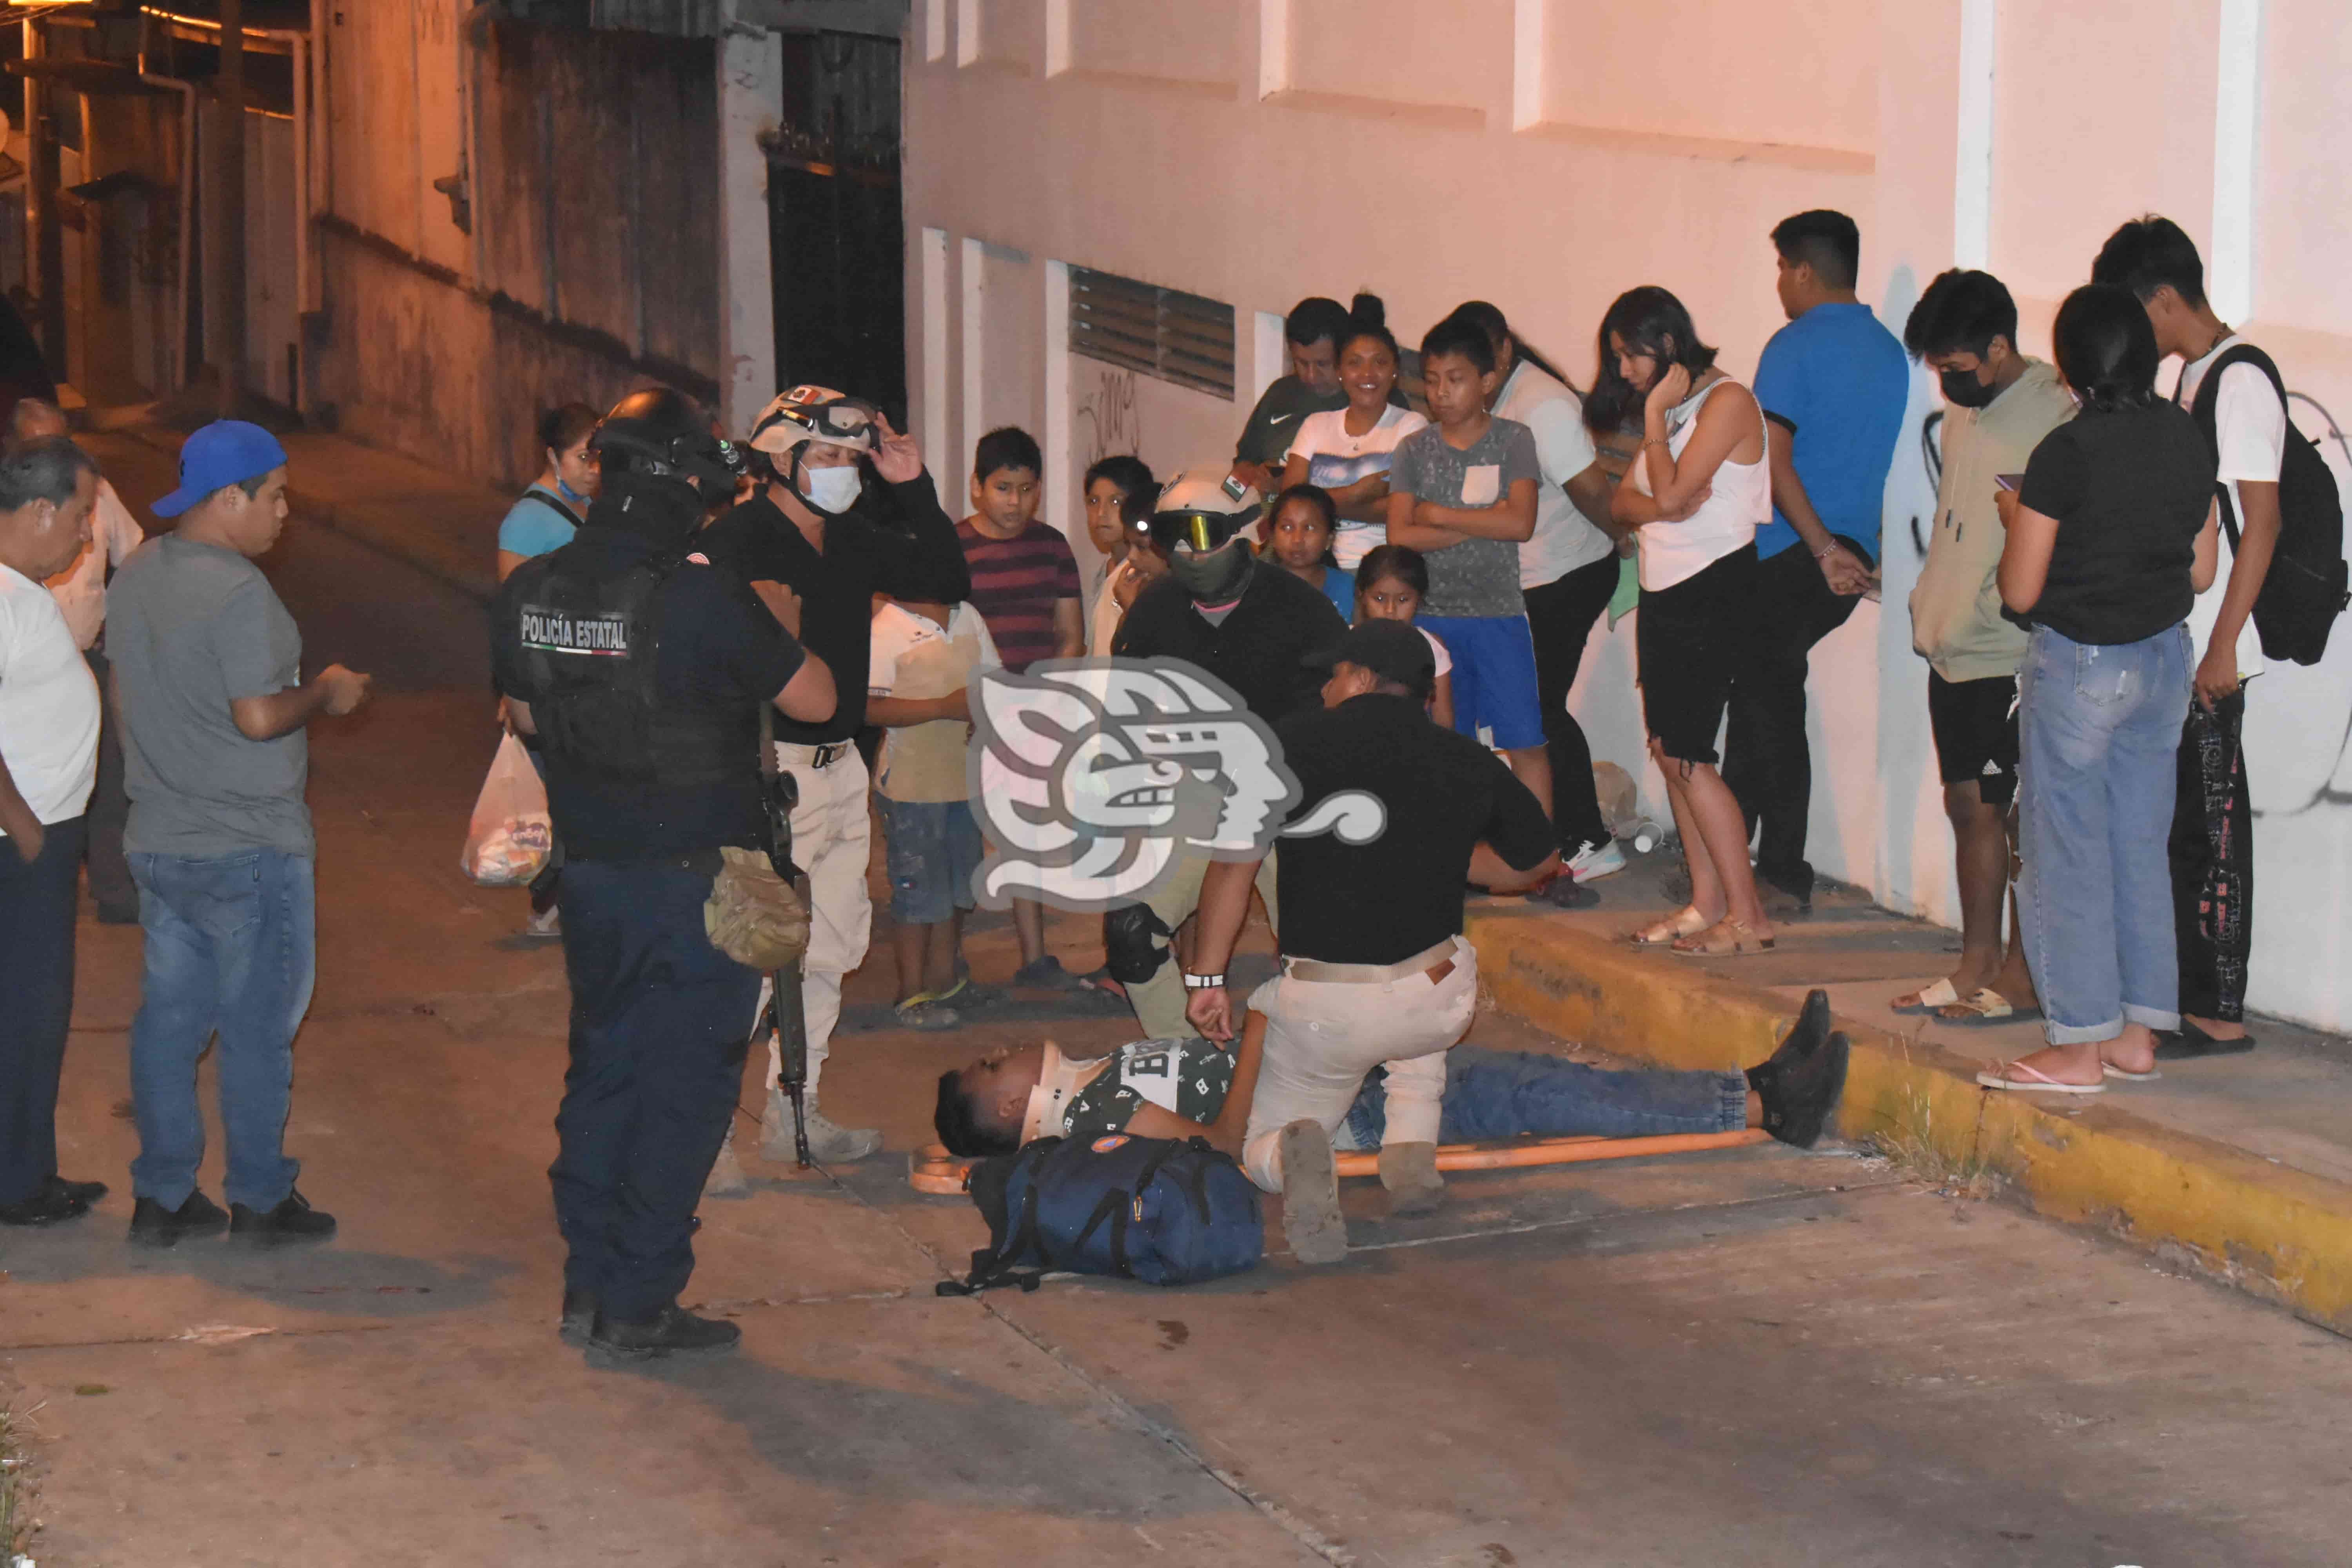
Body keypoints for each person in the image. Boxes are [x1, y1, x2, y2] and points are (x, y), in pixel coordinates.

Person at [494, 387, 836, 1359]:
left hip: (595, 875)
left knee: (605, 1072)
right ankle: (640, 1298)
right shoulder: (701, 594)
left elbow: (524, 721)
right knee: (684, 1089)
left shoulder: (532, 591)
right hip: (705, 882)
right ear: (679, 487)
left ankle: (588, 1285)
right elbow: (817, 695)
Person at [1180, 621, 1554, 1261]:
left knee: (1263, 1140)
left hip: (1329, 1011)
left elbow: (1233, 869)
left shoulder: (1287, 746)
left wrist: (1206, 978)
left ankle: (1294, 1157)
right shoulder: (1463, 757)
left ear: (1358, 678)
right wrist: (1443, 856)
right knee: (1430, 994)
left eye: (1333, 675)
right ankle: (1410, 1158)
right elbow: (1534, 863)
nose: (1325, 687)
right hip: (1434, 1001)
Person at [109, 421, 372, 1249]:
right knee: (258, 1027)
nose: (285, 511)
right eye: (276, 494)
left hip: (159, 835)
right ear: (231, 499)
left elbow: (122, 696)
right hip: (247, 848)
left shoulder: (138, 570)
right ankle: (260, 1197)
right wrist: (326, 692)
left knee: (170, 1020)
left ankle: (163, 1194)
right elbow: (258, 715)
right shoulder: (239, 593)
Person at [700, 384, 968, 1163]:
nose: (844, 470)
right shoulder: (735, 544)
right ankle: (708, 1131)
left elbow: (950, 576)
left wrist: (911, 481)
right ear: (781, 459)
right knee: (752, 953)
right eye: (828, 455)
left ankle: (797, 1111)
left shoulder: (852, 536)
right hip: (763, 768)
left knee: (831, 944)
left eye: (854, 458)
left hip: (843, 764)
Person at [1978, 285, 2218, 1094]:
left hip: (2083, 664)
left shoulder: (2064, 453)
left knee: (2068, 853)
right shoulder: (2187, 436)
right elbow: (2202, 567)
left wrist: (2020, 516)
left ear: (2072, 368)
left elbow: (2020, 590)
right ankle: (2139, 1031)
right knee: (2138, 846)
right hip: (2164, 661)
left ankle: (2078, 1045)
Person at [933, 989, 1849, 1163]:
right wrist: (1256, 1031)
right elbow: (1216, 1148)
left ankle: (1757, 1082)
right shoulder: (1096, 1123)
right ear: (1014, 1103)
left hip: (1328, 1081)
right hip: (1341, 1121)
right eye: (990, 1065)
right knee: (1534, 1094)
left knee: (1526, 1078)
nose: (1002, 1049)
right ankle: (1771, 1101)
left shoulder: (1095, 1087)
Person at [2091, 216, 2279, 1063]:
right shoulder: (2193, 380)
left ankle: (2219, 1011)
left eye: (2136, 309)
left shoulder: (2237, 383)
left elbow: (2263, 523)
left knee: (2212, 830)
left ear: (2164, 299)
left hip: (2218, 642)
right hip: (2190, 633)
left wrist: (2222, 646)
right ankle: (2181, 1001)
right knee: (2182, 826)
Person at [1107, 468, 1347, 1039]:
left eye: (1201, 532)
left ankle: (1333, 1069)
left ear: (1245, 534)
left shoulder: (1303, 610)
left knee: (1323, 958)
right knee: (1129, 932)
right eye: (1173, 535)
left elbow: (1343, 712)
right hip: (1197, 799)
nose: (1187, 549)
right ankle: (1193, 1063)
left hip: (1294, 803)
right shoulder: (1153, 610)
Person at [1897, 270, 2074, 1023]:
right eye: (1938, 371)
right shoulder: (1974, 410)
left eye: (1957, 370)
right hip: (1952, 643)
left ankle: (2025, 979)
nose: (1948, 387)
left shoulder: (2054, 415)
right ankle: (1975, 962)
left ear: (2000, 347)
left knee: (2015, 818)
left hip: (2006, 648)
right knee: (1967, 805)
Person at [1726, 211, 1909, 911]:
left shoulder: (1794, 345)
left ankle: (1778, 872)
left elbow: (1773, 463)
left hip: (1797, 549)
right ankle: (1738, 864)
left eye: (1782, 269)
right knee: (1760, 696)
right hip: (1848, 550)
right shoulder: (1887, 350)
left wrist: (1821, 548)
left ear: (1803, 271)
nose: (1779, 283)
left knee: (1766, 705)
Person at [1592, 286, 1775, 957]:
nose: (1623, 372)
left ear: (1667, 343)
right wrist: (1662, 502)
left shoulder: (1726, 403)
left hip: (1714, 589)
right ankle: (1708, 903)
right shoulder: (1674, 411)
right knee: (1670, 754)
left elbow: (1664, 493)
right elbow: (1626, 503)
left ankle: (1748, 915)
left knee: (1693, 758)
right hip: (1664, 589)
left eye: (1628, 356)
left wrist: (1656, 423)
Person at [1448, 301, 1628, 891]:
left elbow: (1591, 491)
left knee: (1537, 708)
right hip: (1523, 580)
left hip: (1567, 574)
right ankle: (1542, 832)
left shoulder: (1542, 405)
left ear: (1504, 351)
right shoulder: (1488, 398)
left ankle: (1588, 841)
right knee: (1520, 711)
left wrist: (1625, 539)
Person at [0, 434, 109, 1228]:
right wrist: (25, 826)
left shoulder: (21, 587)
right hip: (21, 845)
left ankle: (30, 1169)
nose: (87, 532)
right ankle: (18, 1184)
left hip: (39, 837)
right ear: (40, 510)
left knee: (35, 1013)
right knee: (28, 1013)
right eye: (80, 514)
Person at [1384, 315, 1550, 812]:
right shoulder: (1413, 449)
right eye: (1432, 381)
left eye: (1455, 380)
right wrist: (1482, 519)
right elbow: (1401, 536)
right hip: (1432, 617)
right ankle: (1454, 857)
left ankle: (1540, 858)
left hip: (1498, 614)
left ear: (1487, 382)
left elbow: (1520, 524)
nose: (1441, 393)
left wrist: (1437, 515)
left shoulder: (1514, 440)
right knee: (1447, 745)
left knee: (1525, 741)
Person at [957, 425, 1093, 993]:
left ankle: (1035, 958)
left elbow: (1070, 634)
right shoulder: (954, 548)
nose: (1015, 502)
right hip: (963, 714)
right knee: (958, 840)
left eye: (1027, 489)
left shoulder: (1053, 546)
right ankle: (947, 960)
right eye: (1003, 488)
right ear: (977, 488)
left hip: (1032, 716)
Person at [17, 399, 144, 924]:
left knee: (109, 776)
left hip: (89, 661)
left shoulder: (98, 495)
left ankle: (113, 890)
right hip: (26, 674)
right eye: (40, 444)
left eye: (62, 440)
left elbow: (134, 557)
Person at [868, 551, 1000, 1030]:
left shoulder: (968, 617)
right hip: (911, 787)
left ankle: (946, 982)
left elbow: (992, 681)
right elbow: (869, 709)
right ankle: (911, 993)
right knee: (916, 893)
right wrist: (943, 707)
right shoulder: (887, 627)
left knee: (957, 887)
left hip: (964, 781)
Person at [1278, 295, 1428, 570]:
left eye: (1380, 363)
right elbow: (1290, 504)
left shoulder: (1412, 427)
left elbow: (1405, 511)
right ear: (1340, 372)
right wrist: (1356, 494)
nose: (1367, 374)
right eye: (1355, 363)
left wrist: (1318, 507)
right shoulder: (1315, 425)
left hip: (1385, 571)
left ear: (1395, 371)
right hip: (1315, 565)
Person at [1229, 296, 1353, 497]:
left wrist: (1287, 488)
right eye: (1301, 363)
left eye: (1322, 364)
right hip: (1262, 515)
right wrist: (1241, 486)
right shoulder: (1280, 394)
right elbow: (1241, 464)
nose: (1311, 376)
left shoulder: (1365, 404)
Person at [495, 403, 603, 582]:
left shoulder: (584, 500)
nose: (595, 469)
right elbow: (513, 600)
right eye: (583, 457)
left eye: (598, 457)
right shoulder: (525, 520)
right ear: (553, 457)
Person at [1353, 542, 1455, 730]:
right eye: (1380, 599)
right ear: (1362, 595)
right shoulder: (1346, 643)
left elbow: (1444, 724)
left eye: (1402, 600)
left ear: (1419, 598)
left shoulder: (1432, 647)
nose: (1390, 611)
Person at [1080, 453, 1156, 652]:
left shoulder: (1143, 576)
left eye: (1116, 502)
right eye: (1093, 501)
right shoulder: (1103, 573)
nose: (1101, 514)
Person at [1087, 485, 1165, 659]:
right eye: (1129, 545)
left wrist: (1133, 610)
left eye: (1141, 547)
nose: (1132, 557)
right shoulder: (1123, 583)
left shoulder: (1189, 597)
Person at [1266, 483, 1354, 618]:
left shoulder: (1348, 589)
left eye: (1309, 528)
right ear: (1272, 536)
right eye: (1287, 528)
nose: (1297, 540)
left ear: (1329, 539)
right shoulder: (1256, 589)